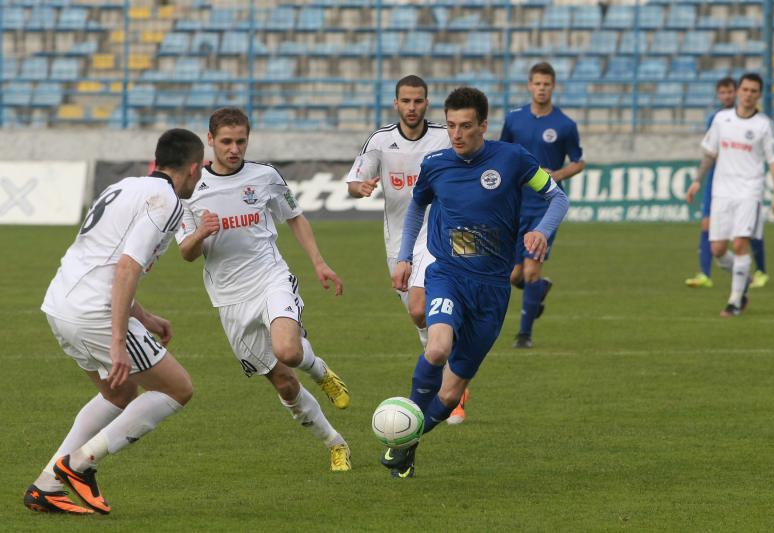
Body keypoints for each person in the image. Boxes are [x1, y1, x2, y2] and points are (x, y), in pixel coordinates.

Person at [383, 87, 569, 478]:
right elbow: (417, 206)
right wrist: (404, 257)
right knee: (437, 348)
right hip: (448, 274)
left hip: (492, 289)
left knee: (450, 395)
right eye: (451, 125)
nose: (457, 134)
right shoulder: (436, 164)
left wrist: (542, 230)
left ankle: (408, 440)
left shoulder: (513, 159)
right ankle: (404, 433)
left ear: (483, 126)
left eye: (466, 126)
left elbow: (557, 198)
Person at [24, 129, 205, 515]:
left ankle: (47, 486)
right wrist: (119, 341)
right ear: (193, 168)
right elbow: (126, 267)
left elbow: (102, 260)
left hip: (60, 303)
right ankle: (79, 464)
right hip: (95, 312)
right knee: (178, 389)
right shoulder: (168, 201)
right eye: (200, 170)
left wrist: (145, 316)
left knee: (118, 395)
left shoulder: (123, 186)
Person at [176, 107, 352, 472]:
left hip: (270, 277)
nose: (234, 149)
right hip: (229, 298)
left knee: (288, 350)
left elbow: (295, 217)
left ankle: (320, 372)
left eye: (241, 141)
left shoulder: (265, 176)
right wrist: (200, 234)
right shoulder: (190, 190)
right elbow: (187, 254)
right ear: (210, 140)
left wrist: (319, 263)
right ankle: (335, 443)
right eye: (226, 141)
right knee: (285, 385)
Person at [345, 76, 470, 424]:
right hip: (399, 242)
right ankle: (450, 364)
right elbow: (354, 181)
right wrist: (361, 188)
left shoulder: (444, 136)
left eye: (418, 101)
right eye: (406, 101)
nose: (412, 107)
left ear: (426, 103)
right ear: (396, 103)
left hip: (440, 235)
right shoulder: (380, 141)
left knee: (422, 307)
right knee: (418, 316)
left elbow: (471, 159)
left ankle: (452, 389)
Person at [499, 62, 584, 349]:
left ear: (553, 86)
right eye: (537, 83)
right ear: (529, 85)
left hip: (545, 206)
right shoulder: (514, 120)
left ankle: (524, 335)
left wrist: (557, 175)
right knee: (515, 275)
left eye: (546, 84)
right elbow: (502, 153)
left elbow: (579, 162)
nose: (542, 88)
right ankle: (538, 290)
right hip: (516, 205)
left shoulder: (565, 125)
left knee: (531, 271)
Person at [686, 73, 774, 317]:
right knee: (718, 250)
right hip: (722, 191)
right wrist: (697, 180)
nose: (748, 95)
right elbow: (710, 153)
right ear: (739, 91)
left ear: (759, 95)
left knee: (740, 243)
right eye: (745, 90)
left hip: (749, 191)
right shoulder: (721, 119)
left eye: (753, 91)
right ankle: (744, 282)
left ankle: (735, 301)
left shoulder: (764, 125)